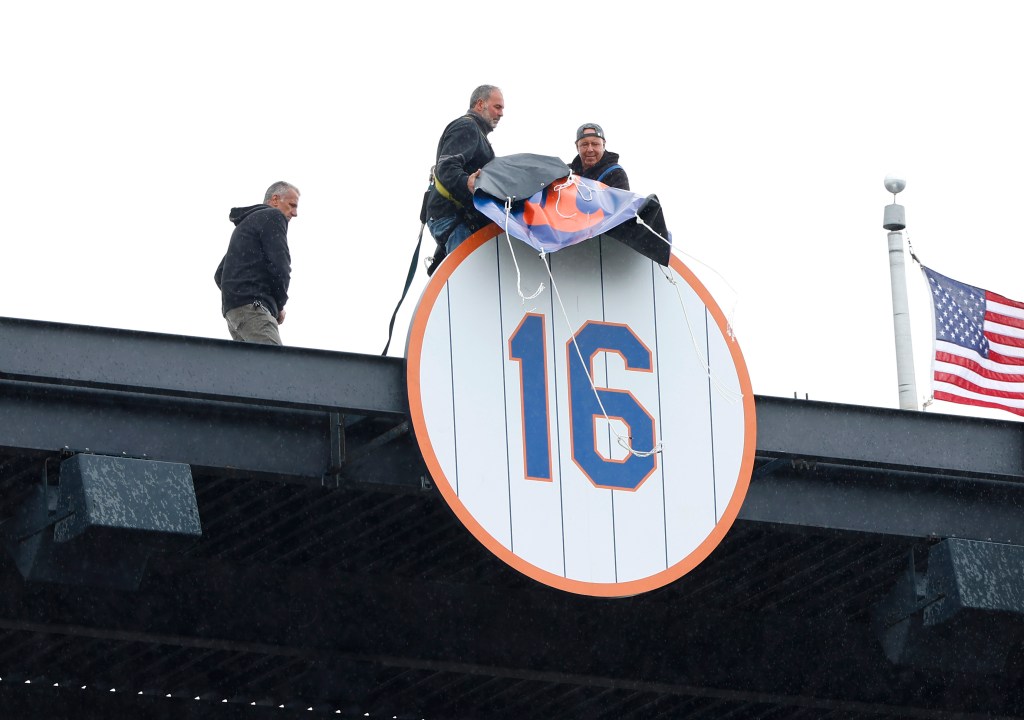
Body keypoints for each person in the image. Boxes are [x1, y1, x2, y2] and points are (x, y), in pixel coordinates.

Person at [424, 85, 504, 272]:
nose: (501, 114)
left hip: (457, 219)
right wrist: (465, 182)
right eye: (497, 107)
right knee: (470, 279)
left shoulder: (475, 132)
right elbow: (447, 167)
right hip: (452, 217)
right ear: (480, 104)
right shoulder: (467, 127)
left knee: (470, 281)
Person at [214, 181, 299, 345]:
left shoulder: (247, 224)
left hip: (234, 314)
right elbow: (280, 266)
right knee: (274, 366)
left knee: (252, 368)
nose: (295, 213)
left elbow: (220, 273)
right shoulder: (274, 216)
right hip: (254, 309)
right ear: (275, 200)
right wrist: (279, 304)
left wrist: (238, 296)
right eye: (292, 205)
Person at [569, 123, 630, 190]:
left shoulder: (616, 174)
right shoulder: (566, 172)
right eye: (585, 144)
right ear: (577, 147)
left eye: (595, 144)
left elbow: (624, 200)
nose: (590, 149)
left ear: (603, 145)